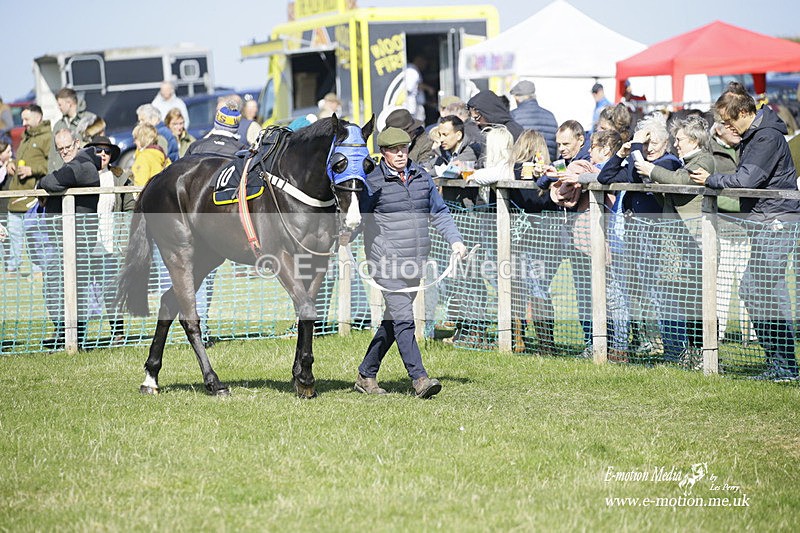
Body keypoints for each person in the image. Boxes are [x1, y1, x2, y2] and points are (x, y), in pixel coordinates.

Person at [691, 81, 799, 381]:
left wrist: (711, 180)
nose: (727, 128)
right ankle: (782, 365)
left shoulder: (765, 138)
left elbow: (747, 179)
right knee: (763, 291)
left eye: (727, 122)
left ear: (742, 112)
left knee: (760, 291)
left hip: (776, 222)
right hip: (769, 221)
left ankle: (785, 366)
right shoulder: (758, 135)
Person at [354, 126, 467, 398]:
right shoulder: (372, 182)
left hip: (415, 261)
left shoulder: (421, 176)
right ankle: (419, 379)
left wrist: (456, 241)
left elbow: (439, 212)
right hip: (385, 261)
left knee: (393, 322)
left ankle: (365, 374)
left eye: (404, 149)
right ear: (383, 153)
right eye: (395, 150)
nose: (401, 154)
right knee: (405, 319)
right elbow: (358, 218)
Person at [635, 115, 715, 367]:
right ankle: (692, 355)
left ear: (693, 139)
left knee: (699, 302)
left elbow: (682, 183)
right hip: (677, 244)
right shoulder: (685, 161)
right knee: (686, 301)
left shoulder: (703, 160)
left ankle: (706, 355)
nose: (676, 143)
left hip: (695, 242)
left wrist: (652, 171)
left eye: (679, 139)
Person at [37, 128, 101, 349]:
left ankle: (73, 339)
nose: (64, 152)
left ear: (77, 143)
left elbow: (53, 182)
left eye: (68, 147)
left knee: (73, 290)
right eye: (60, 149)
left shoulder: (84, 165)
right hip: (64, 241)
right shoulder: (75, 163)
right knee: (55, 287)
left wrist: (40, 184)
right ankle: (64, 335)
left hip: (79, 242)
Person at [86, 136, 135, 345]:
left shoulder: (119, 176)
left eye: (107, 151)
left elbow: (130, 207)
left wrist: (125, 234)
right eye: (98, 151)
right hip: (84, 245)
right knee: (79, 293)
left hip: (109, 246)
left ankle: (117, 333)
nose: (103, 155)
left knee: (111, 292)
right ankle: (74, 337)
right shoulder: (83, 176)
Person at [5, 104, 51, 274]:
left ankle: (38, 269)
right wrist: (12, 164)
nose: (23, 123)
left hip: (32, 199)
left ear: (38, 117)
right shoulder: (26, 136)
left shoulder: (48, 137)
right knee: (14, 235)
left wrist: (33, 170)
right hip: (16, 198)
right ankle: (13, 267)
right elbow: (22, 160)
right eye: (22, 119)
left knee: (35, 238)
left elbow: (51, 164)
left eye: (26, 119)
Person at [48, 87, 97, 171]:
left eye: (60, 104)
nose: (59, 108)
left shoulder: (90, 120)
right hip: (61, 174)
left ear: (69, 103)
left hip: (84, 172)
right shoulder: (58, 125)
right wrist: (51, 173)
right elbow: (52, 154)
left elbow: (98, 149)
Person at [509, 80, 558, 160]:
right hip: (547, 164)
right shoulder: (550, 116)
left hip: (523, 166)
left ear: (518, 98)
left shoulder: (513, 115)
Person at [401, 54, 434, 123]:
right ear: (418, 60)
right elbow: (410, 87)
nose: (425, 65)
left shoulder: (414, 69)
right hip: (411, 106)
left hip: (416, 106)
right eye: (424, 62)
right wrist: (428, 88)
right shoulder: (411, 70)